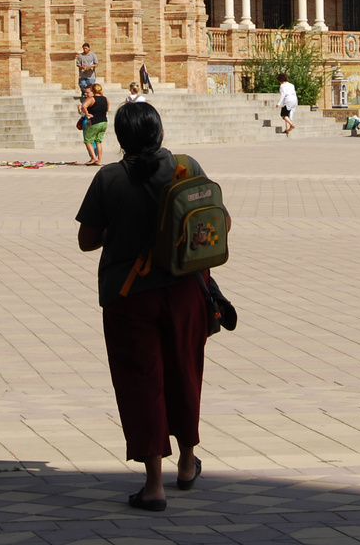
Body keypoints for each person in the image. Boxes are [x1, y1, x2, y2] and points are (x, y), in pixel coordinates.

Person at [76, 101, 213, 511]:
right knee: (185, 374)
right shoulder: (187, 168)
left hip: (130, 295)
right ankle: (187, 463)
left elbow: (87, 240)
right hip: (187, 291)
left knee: (142, 384)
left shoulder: (109, 178)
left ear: (120, 139)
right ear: (161, 134)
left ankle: (154, 485)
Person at [82, 82, 110, 165]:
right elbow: (107, 108)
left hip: (94, 121)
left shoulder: (91, 98)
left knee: (88, 140)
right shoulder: (105, 98)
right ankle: (99, 160)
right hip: (104, 122)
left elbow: (84, 106)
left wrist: (87, 114)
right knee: (98, 141)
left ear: (93, 90)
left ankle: (94, 158)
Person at [276, 71, 298, 136]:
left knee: (283, 114)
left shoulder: (282, 86)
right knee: (287, 115)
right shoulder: (291, 85)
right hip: (294, 99)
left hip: (288, 100)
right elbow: (294, 93)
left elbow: (283, 94)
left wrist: (279, 103)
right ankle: (287, 129)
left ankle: (291, 125)